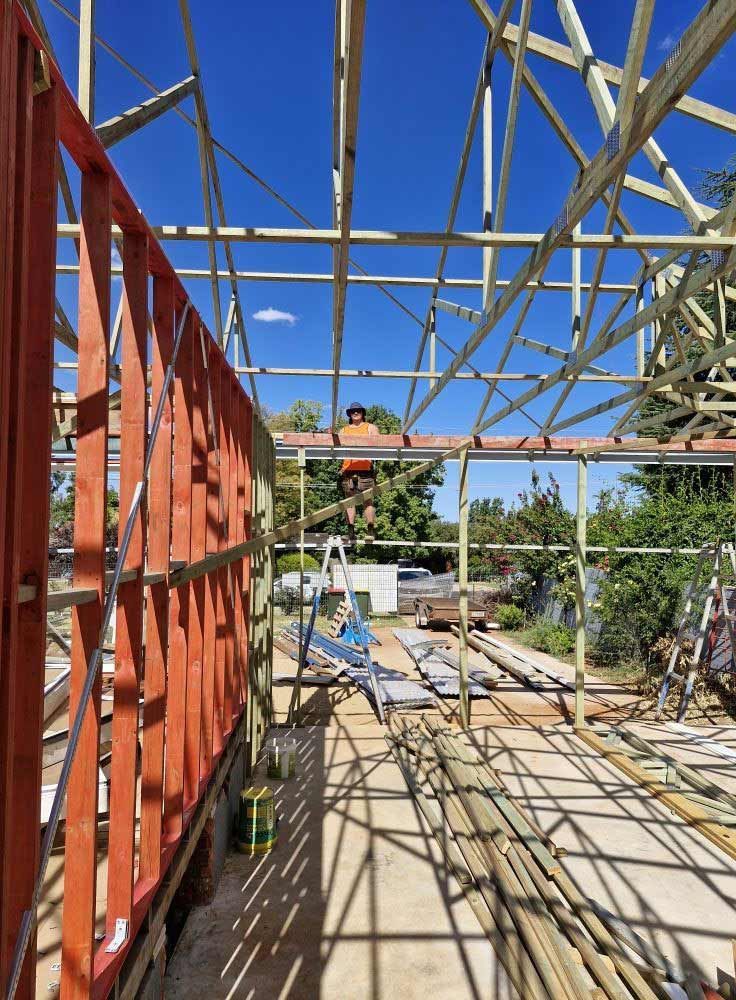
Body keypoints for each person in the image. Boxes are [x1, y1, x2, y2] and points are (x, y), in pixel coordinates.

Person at [339, 402, 379, 542]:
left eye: (358, 411)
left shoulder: (370, 428)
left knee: (367, 501)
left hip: (365, 470)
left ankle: (370, 530)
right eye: (353, 411)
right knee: (349, 502)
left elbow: (378, 443)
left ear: (362, 413)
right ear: (349, 414)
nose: (355, 413)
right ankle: (350, 531)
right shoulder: (343, 430)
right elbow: (337, 447)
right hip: (348, 470)